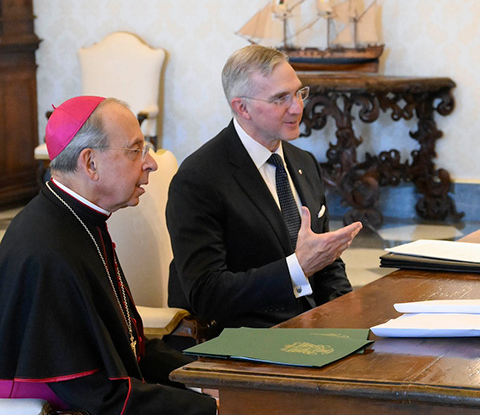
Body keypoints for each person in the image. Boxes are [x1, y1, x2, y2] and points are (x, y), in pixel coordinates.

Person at [0, 96, 216, 414]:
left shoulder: (83, 221)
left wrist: (208, 376)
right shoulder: (46, 254)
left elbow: (129, 348)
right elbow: (96, 396)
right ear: (90, 163)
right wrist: (212, 407)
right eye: (135, 150)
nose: (151, 162)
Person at [166, 45, 362, 329]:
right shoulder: (199, 179)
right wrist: (297, 268)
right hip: (247, 337)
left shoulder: (304, 162)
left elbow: (325, 264)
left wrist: (348, 318)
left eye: (298, 93)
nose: (297, 107)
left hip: (312, 327)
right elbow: (206, 294)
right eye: (280, 98)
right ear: (241, 107)